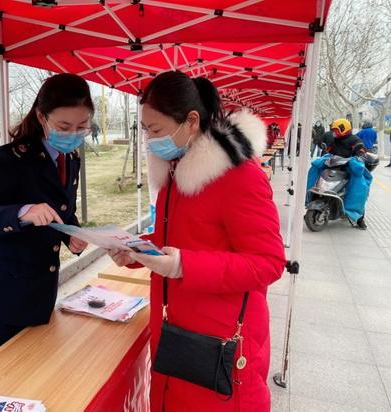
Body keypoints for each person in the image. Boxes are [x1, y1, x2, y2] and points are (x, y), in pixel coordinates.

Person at [108, 71, 286, 411]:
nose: (148, 139)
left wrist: (183, 265)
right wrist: (134, 250)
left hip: (217, 343)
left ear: (190, 121)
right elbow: (172, 239)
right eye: (144, 129)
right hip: (176, 331)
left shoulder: (239, 176)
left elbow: (268, 262)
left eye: (155, 130)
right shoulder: (176, 170)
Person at [0, 73, 92, 362]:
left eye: (82, 127)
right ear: (41, 117)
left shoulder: (70, 159)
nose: (72, 135)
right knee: (0, 386)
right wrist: (22, 212)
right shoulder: (11, 159)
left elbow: (62, 211)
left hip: (39, 295)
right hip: (1, 299)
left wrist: (72, 233)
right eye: (64, 126)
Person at [327, 118, 369, 229]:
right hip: (335, 168)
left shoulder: (355, 140)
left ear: (343, 129)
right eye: (333, 130)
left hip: (349, 170)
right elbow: (329, 151)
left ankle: (359, 218)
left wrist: (358, 155)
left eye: (336, 130)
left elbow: (361, 151)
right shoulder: (335, 140)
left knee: (358, 190)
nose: (334, 133)